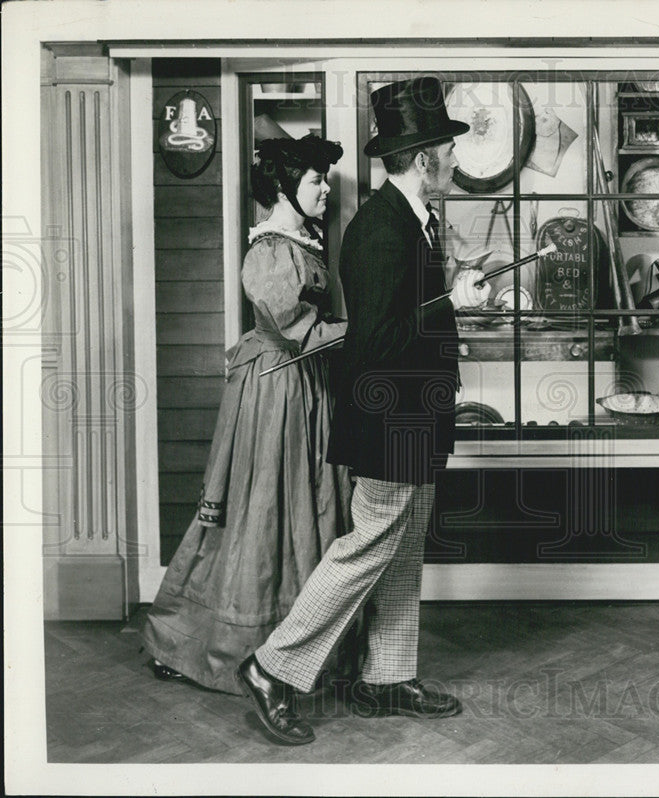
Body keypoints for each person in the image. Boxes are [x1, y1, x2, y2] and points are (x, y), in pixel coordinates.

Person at [234, 76, 491, 745]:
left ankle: (387, 677)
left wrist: (451, 305)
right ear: (424, 157)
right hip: (389, 421)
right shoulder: (381, 230)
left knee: (403, 551)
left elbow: (398, 324)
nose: (452, 163)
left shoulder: (407, 220)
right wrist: (454, 305)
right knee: (368, 548)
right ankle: (273, 669)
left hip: (414, 417)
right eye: (445, 150)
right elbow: (372, 345)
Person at [141, 135, 358, 696]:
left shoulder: (299, 241)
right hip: (276, 391)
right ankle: (203, 643)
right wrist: (367, 329)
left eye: (323, 180)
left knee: (303, 501)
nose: (325, 189)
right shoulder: (267, 251)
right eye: (315, 180)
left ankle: (298, 649)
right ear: (285, 186)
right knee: (264, 505)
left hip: (304, 385)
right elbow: (297, 332)